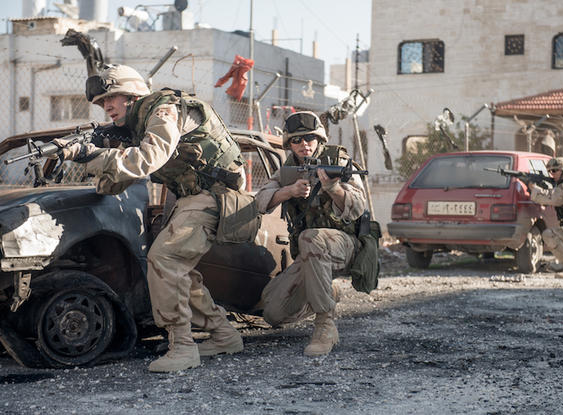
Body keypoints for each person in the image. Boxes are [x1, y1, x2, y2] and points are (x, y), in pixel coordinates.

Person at [53, 64, 251, 372]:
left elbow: (148, 159)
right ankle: (224, 335)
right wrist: (99, 150)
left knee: (165, 259)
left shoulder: (163, 111)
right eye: (102, 102)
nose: (107, 106)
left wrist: (87, 155)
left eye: (112, 98)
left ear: (132, 96)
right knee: (178, 269)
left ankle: (183, 347)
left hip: (215, 196)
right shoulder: (137, 128)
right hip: (193, 199)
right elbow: (112, 185)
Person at [254, 111, 367, 356]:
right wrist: (289, 191)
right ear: (289, 144)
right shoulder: (288, 170)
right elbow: (260, 202)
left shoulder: (337, 161)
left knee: (311, 237)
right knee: (274, 312)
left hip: (344, 245)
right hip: (311, 254)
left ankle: (325, 326)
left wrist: (333, 188)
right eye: (297, 140)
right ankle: (328, 291)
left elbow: (358, 208)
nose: (304, 144)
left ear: (319, 140)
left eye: (309, 138)